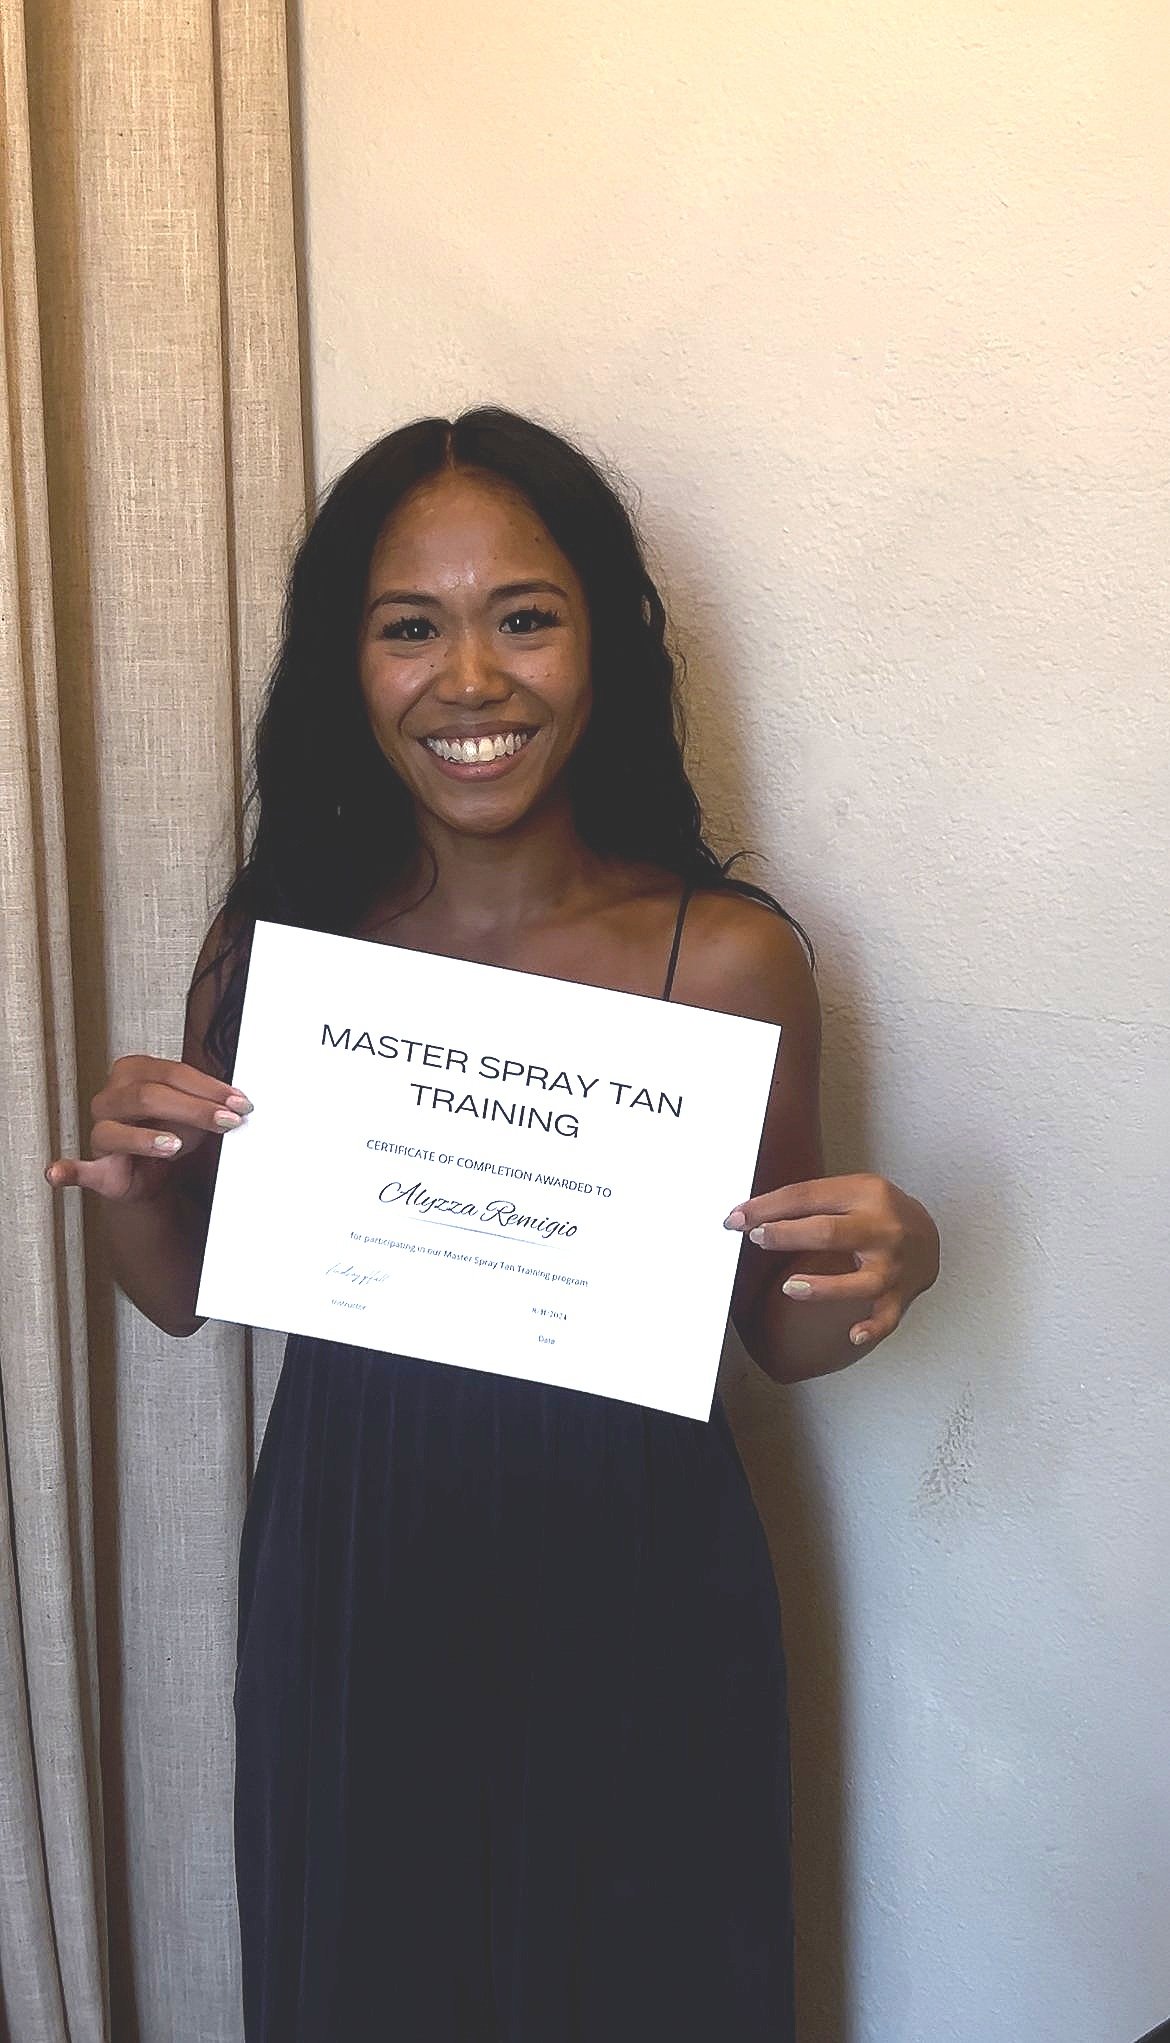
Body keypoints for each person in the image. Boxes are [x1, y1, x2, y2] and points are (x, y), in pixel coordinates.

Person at [46, 408, 940, 2041]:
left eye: (523, 615)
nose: (471, 678)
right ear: (350, 666)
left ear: (601, 643)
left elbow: (784, 1332)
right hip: (350, 1563)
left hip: (640, 1569)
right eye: (411, 626)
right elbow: (181, 1299)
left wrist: (891, 1259)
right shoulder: (279, 948)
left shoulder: (724, 956)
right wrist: (130, 1187)